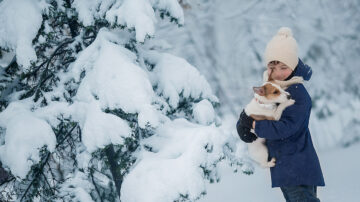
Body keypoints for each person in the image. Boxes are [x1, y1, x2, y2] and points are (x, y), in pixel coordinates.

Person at [236, 27, 325, 202]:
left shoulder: (296, 92)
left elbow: (285, 128)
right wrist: (243, 121)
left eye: (284, 67)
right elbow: (259, 108)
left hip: (298, 166)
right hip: (288, 167)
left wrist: (254, 124)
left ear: (293, 66)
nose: (277, 73)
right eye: (272, 67)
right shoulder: (277, 87)